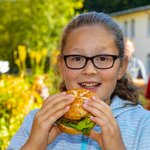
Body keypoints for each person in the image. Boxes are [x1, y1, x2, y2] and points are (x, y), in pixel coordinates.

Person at [7, 12, 150, 150]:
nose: (89, 70)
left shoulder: (144, 124)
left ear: (121, 67)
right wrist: (34, 145)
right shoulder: (37, 122)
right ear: (62, 66)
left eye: (102, 58)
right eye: (77, 58)